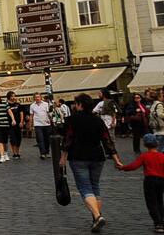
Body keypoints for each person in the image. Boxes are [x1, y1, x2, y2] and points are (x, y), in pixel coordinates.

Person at [61, 93, 121, 233]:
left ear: (80, 105)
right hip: (97, 156)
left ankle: (97, 216)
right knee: (95, 187)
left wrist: (63, 157)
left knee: (85, 188)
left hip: (78, 156)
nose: (75, 106)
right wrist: (116, 159)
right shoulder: (98, 120)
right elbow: (107, 140)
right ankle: (96, 219)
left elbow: (68, 139)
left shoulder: (72, 120)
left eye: (76, 103)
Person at [119, 133, 164, 233]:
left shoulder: (145, 156)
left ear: (144, 144)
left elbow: (134, 166)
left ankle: (158, 223)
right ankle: (162, 220)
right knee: (159, 201)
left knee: (151, 203)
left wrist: (123, 168)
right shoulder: (162, 156)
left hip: (150, 180)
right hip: (161, 180)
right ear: (157, 144)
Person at [29, 93, 53, 159]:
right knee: (40, 139)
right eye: (36, 97)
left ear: (41, 97)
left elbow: (48, 113)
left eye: (38, 97)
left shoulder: (46, 104)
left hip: (46, 124)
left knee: (47, 139)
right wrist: (30, 125)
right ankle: (42, 153)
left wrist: (51, 120)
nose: (37, 98)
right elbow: (31, 115)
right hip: (37, 124)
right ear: (34, 98)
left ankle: (47, 152)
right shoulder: (32, 105)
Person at [7, 92, 24, 160]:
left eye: (14, 96)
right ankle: (14, 153)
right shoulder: (7, 105)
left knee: (18, 138)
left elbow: (21, 114)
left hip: (18, 124)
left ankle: (17, 151)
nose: (13, 97)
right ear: (9, 97)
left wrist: (21, 122)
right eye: (12, 96)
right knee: (13, 139)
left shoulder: (18, 105)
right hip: (10, 125)